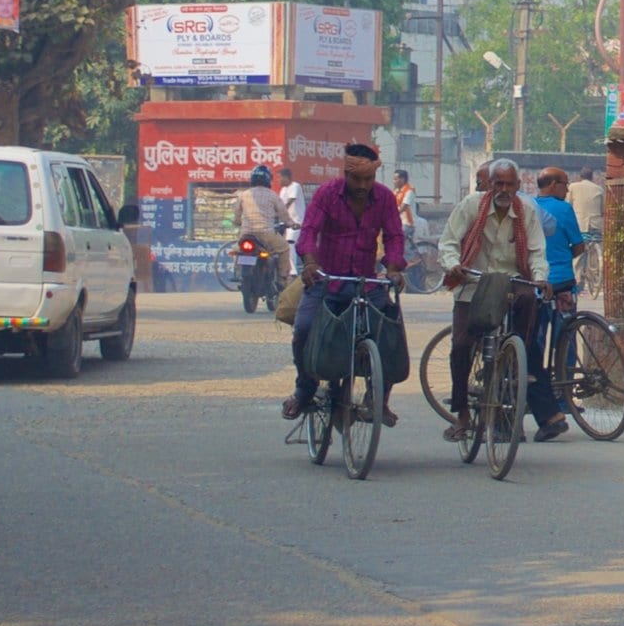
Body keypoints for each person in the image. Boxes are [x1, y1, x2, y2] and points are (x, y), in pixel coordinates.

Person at [282, 143, 407, 424]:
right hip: (327, 281)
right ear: (345, 174)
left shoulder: (385, 198)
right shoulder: (327, 194)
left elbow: (395, 237)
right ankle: (304, 390)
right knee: (303, 328)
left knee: (390, 331)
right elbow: (310, 231)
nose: (363, 185)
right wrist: (310, 263)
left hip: (366, 283)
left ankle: (378, 399)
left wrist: (394, 267)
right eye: (357, 179)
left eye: (369, 179)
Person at [438, 158, 556, 443]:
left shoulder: (527, 210)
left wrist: (541, 277)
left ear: (518, 186)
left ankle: (519, 361)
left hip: (512, 283)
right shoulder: (470, 206)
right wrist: (453, 264)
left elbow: (538, 251)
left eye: (509, 184)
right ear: (489, 185)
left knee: (531, 300)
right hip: (474, 282)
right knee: (461, 346)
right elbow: (449, 242)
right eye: (498, 183)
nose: (504, 189)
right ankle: (462, 413)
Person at [526, 167, 587, 441]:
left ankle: (538, 394)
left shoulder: (526, 207)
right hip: (562, 283)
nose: (566, 188)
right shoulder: (563, 210)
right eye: (564, 183)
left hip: (536, 286)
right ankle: (564, 397)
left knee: (535, 342)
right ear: (552, 184)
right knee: (566, 341)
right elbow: (579, 246)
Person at [232, 166, 292, 269]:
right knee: (285, 248)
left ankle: (237, 273)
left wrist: (238, 222)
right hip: (267, 235)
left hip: (246, 234)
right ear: (268, 179)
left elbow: (237, 215)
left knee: (236, 250)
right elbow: (284, 216)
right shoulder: (273, 195)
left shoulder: (243, 195)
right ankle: (283, 279)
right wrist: (291, 224)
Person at [567, 168, 605, 293]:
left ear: (580, 176)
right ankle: (595, 274)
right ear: (592, 177)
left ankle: (577, 280)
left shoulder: (573, 187)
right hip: (595, 225)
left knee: (578, 254)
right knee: (595, 250)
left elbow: (568, 205)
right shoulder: (599, 189)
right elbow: (603, 210)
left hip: (580, 224)